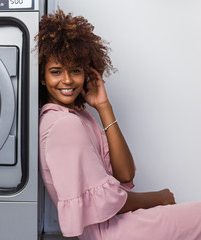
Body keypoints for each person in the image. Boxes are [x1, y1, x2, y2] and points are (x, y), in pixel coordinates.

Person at [37, 9, 201, 240]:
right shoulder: (63, 125)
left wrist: (104, 107)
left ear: (86, 73)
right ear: (42, 77)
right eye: (56, 72)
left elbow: (124, 174)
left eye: (75, 70)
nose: (67, 80)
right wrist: (159, 197)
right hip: (111, 232)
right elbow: (106, 203)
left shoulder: (78, 117)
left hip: (114, 228)